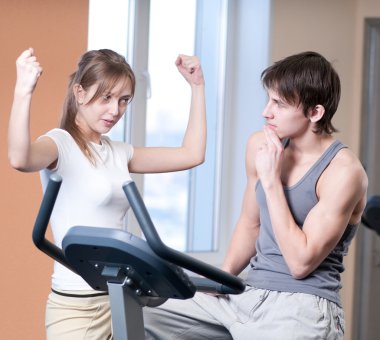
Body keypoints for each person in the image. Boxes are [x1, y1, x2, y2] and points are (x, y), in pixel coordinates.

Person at [143, 51, 368, 340]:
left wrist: (272, 181)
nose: (266, 112)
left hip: (303, 305)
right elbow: (251, 224)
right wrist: (219, 279)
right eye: (269, 99)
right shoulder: (260, 145)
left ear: (315, 113)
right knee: (146, 313)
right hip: (246, 291)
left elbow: (301, 263)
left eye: (279, 104)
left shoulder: (344, 172)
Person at [8, 47, 206, 339]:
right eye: (106, 98)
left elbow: (191, 155)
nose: (115, 110)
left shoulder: (118, 153)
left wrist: (197, 86)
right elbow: (20, 158)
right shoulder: (60, 145)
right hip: (77, 307)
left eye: (124, 100)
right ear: (79, 92)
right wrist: (24, 91)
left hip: (121, 296)